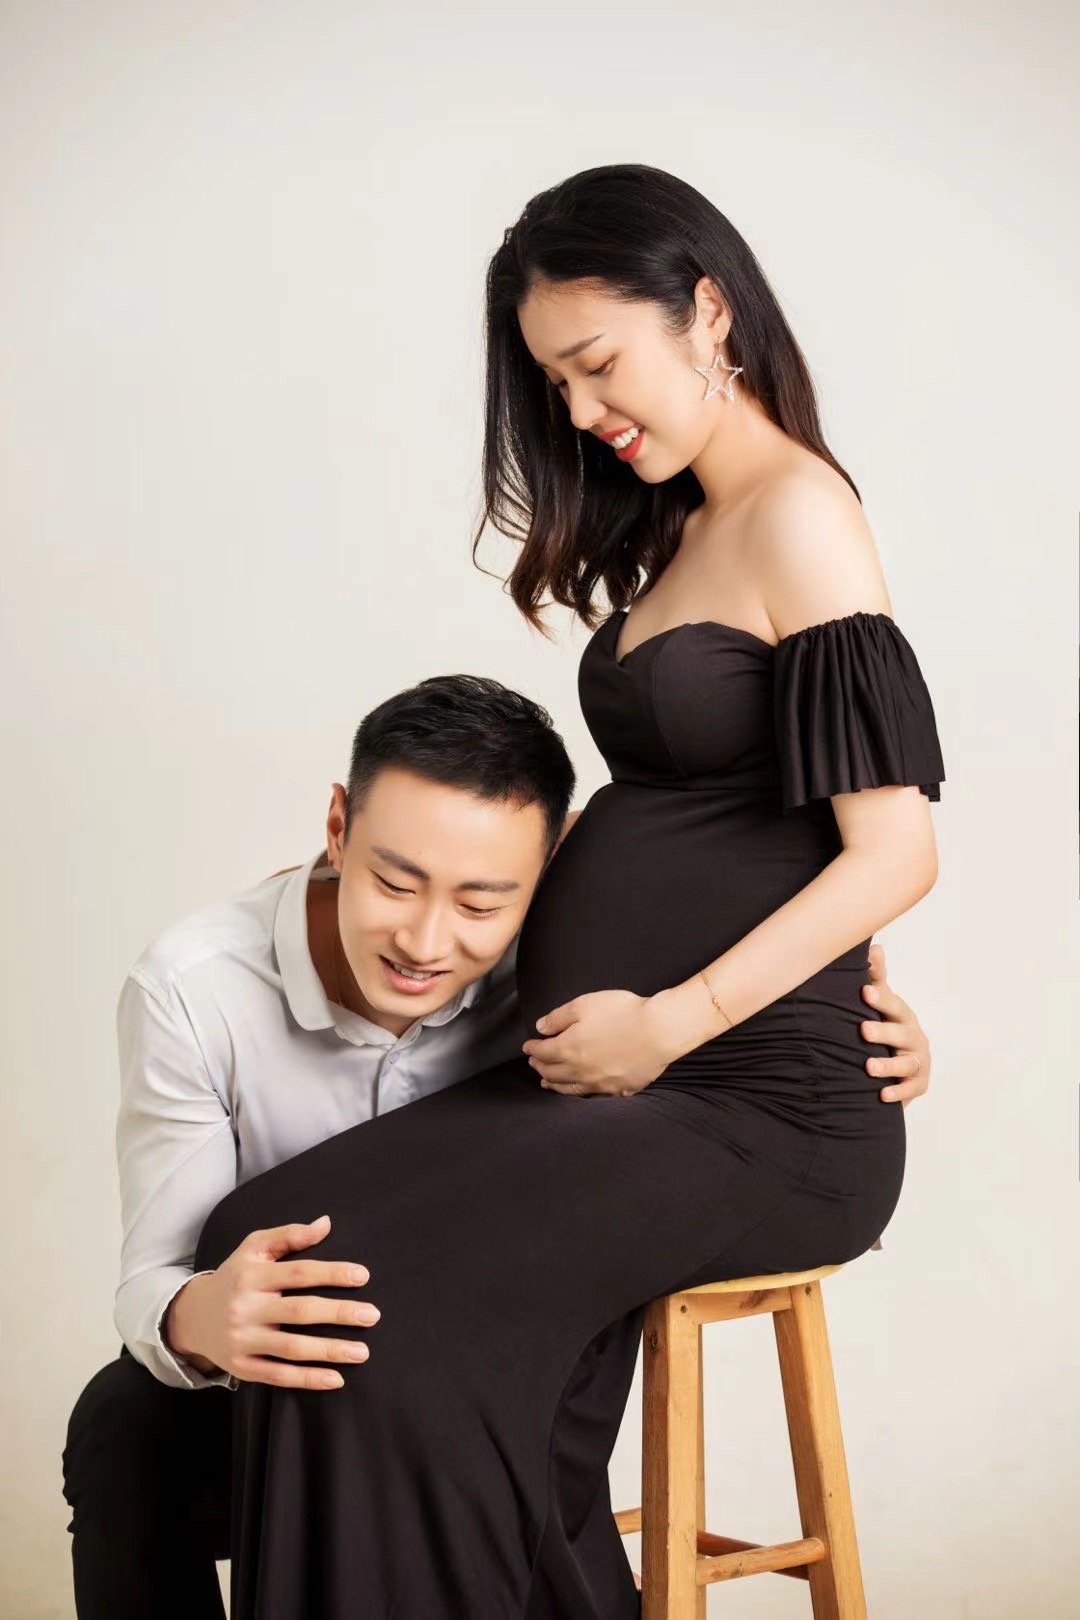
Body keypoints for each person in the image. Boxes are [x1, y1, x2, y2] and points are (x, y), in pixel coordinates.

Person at [188, 163, 947, 1619]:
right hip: (633, 1080)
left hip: (754, 1111)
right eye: (556, 382)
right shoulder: (695, 525)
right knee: (278, 1240)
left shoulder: (798, 514)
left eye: (598, 363)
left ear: (707, 310)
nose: (585, 410)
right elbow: (741, 827)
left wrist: (674, 1019)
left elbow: (895, 848)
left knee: (361, 1286)